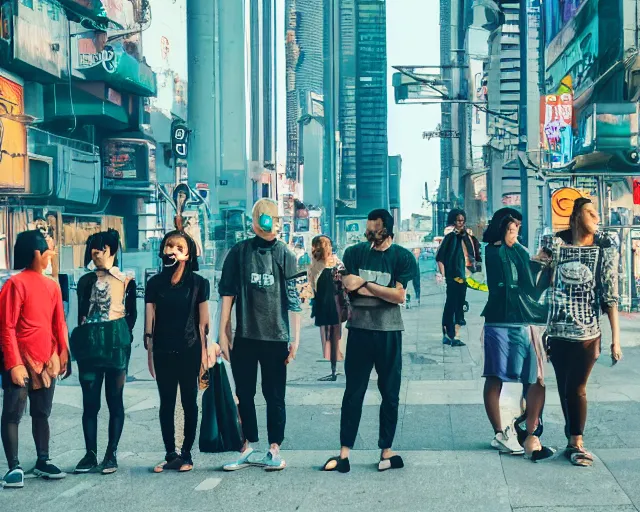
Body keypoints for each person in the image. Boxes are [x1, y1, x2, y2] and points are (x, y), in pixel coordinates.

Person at [322, 209, 416, 473]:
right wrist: (381, 290)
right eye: (367, 228)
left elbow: (399, 296)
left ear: (386, 229)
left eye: (373, 229)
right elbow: (347, 285)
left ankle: (386, 450)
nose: (368, 233)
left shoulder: (402, 257)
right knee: (353, 392)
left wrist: (365, 283)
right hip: (359, 331)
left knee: (390, 393)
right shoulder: (354, 253)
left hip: (389, 332)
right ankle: (344, 453)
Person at [219, 198, 302, 472]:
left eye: (272, 220)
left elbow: (294, 300)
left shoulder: (285, 254)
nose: (269, 225)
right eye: (264, 220)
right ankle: (246, 447)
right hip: (245, 336)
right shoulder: (239, 252)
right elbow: (227, 294)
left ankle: (274, 448)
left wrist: (295, 338)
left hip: (276, 337)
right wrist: (223, 332)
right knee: (243, 393)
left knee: (274, 395)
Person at [547, 198, 622, 467]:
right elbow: (541, 283)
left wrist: (615, 339)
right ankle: (570, 438)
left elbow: (610, 293)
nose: (596, 217)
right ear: (577, 216)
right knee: (565, 388)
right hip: (556, 330)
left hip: (587, 333)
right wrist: (543, 265)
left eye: (596, 213)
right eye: (590, 212)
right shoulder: (554, 243)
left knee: (577, 387)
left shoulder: (604, 246)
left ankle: (577, 441)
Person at [481, 210, 554, 460]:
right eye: (512, 229)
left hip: (524, 321)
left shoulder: (519, 251)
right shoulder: (494, 252)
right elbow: (507, 283)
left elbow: (531, 291)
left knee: (534, 377)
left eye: (518, 229)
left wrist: (542, 268)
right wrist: (530, 261)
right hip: (500, 321)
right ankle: (501, 432)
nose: (516, 234)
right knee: (496, 376)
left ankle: (530, 429)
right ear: (502, 229)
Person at [0, 230, 70, 488]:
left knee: (42, 412)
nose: (52, 254)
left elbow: (58, 323)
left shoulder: (52, 285)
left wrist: (62, 353)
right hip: (20, 358)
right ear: (37, 254)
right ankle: (13, 467)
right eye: (48, 250)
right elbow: (6, 327)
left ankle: (43, 460)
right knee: (12, 413)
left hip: (46, 358)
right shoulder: (14, 284)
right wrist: (14, 363)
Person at [145, 229, 215, 473]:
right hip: (163, 351)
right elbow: (149, 320)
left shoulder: (199, 284)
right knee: (166, 403)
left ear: (187, 255)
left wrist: (205, 357)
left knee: (189, 402)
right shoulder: (154, 283)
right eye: (168, 246)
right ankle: (170, 453)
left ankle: (187, 453)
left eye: (178, 247)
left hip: (190, 349)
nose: (171, 251)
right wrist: (149, 351)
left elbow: (203, 325)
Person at [71, 230, 137, 474]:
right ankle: (90, 454)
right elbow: (81, 314)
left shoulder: (126, 280)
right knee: (90, 404)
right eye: (93, 249)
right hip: (90, 345)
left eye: (102, 249)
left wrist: (119, 334)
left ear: (113, 251)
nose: (96, 253)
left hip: (116, 346)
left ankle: (111, 453)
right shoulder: (85, 281)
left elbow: (132, 315)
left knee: (114, 400)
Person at [436, 209, 481, 346]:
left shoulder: (468, 237)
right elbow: (440, 257)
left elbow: (474, 256)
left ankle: (453, 334)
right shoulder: (450, 238)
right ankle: (450, 335)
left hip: (465, 277)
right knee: (452, 305)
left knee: (460, 305)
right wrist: (444, 276)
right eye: (458, 220)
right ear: (453, 221)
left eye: (462, 220)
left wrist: (476, 271)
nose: (460, 223)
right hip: (453, 276)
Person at [308, 235, 345, 382]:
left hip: (324, 305)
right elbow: (345, 280)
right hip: (336, 303)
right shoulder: (337, 262)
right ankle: (334, 368)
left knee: (328, 337)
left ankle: (333, 369)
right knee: (335, 336)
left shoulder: (314, 265)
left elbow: (312, 287)